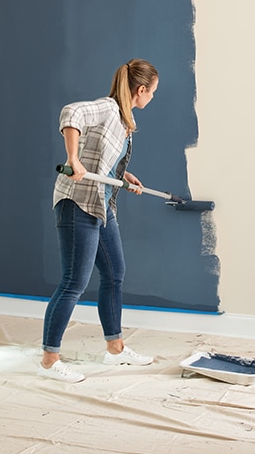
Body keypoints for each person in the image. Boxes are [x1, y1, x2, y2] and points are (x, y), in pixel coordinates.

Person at [38, 58, 159, 383]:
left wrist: (123, 175)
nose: (152, 99)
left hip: (101, 205)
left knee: (114, 273)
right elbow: (71, 114)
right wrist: (73, 159)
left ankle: (115, 349)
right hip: (77, 202)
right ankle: (50, 360)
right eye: (152, 93)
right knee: (74, 282)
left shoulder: (123, 120)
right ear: (142, 89)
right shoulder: (107, 108)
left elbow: (104, 159)